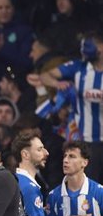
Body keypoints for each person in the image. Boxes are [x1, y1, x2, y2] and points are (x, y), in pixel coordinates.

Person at [40, 31, 103, 184]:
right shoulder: (78, 67)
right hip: (86, 140)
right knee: (87, 186)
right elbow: (45, 75)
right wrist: (58, 84)